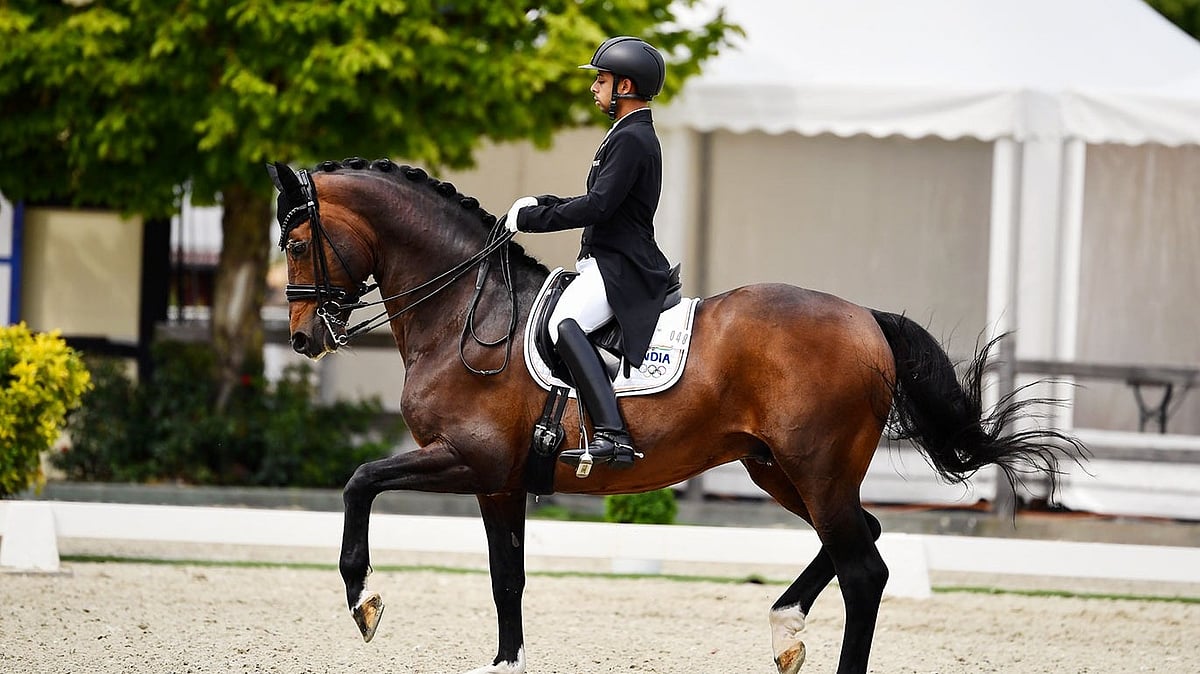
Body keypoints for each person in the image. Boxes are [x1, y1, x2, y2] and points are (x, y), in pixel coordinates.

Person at [504, 36, 672, 471]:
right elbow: (598, 198)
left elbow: (598, 207)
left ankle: (613, 435)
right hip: (607, 259)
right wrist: (542, 203)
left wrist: (533, 222)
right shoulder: (627, 134)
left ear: (625, 86)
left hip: (621, 265)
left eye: (601, 80)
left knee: (564, 324)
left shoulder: (633, 138)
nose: (593, 88)